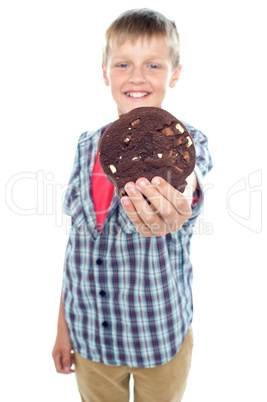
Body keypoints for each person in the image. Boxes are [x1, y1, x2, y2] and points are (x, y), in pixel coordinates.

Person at [52, 8, 213, 402]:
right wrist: (63, 326)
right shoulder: (86, 145)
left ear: (174, 74)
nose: (137, 76)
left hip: (157, 338)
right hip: (91, 339)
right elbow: (78, 243)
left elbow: (189, 185)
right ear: (105, 73)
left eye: (153, 65)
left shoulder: (188, 143)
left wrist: (176, 203)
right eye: (123, 63)